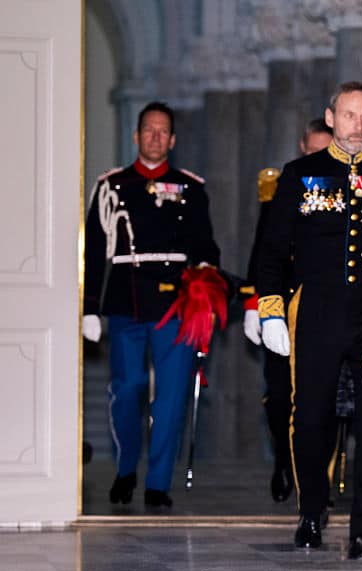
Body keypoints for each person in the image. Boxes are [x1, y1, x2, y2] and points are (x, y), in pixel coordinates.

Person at [258, 83, 362, 555]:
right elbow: (272, 250)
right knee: (310, 419)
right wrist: (270, 309)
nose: (360, 124)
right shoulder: (301, 174)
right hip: (315, 312)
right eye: (351, 115)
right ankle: (311, 513)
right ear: (331, 117)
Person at [83, 101, 220, 509]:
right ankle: (126, 469)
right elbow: (93, 251)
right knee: (128, 389)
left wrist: (207, 286)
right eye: (149, 130)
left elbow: (206, 246)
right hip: (127, 300)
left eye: (163, 131)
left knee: (172, 395)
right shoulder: (111, 185)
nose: (156, 137)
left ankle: (158, 482)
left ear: (173, 140)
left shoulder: (191, 187)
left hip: (177, 303)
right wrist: (90, 307)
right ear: (136, 136)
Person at [242, 117, 333, 503]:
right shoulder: (283, 187)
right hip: (283, 308)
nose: (316, 159)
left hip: (324, 309)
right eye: (311, 151)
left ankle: (318, 480)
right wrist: (254, 304)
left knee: (327, 400)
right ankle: (284, 458)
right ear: (301, 148)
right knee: (280, 396)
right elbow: (265, 251)